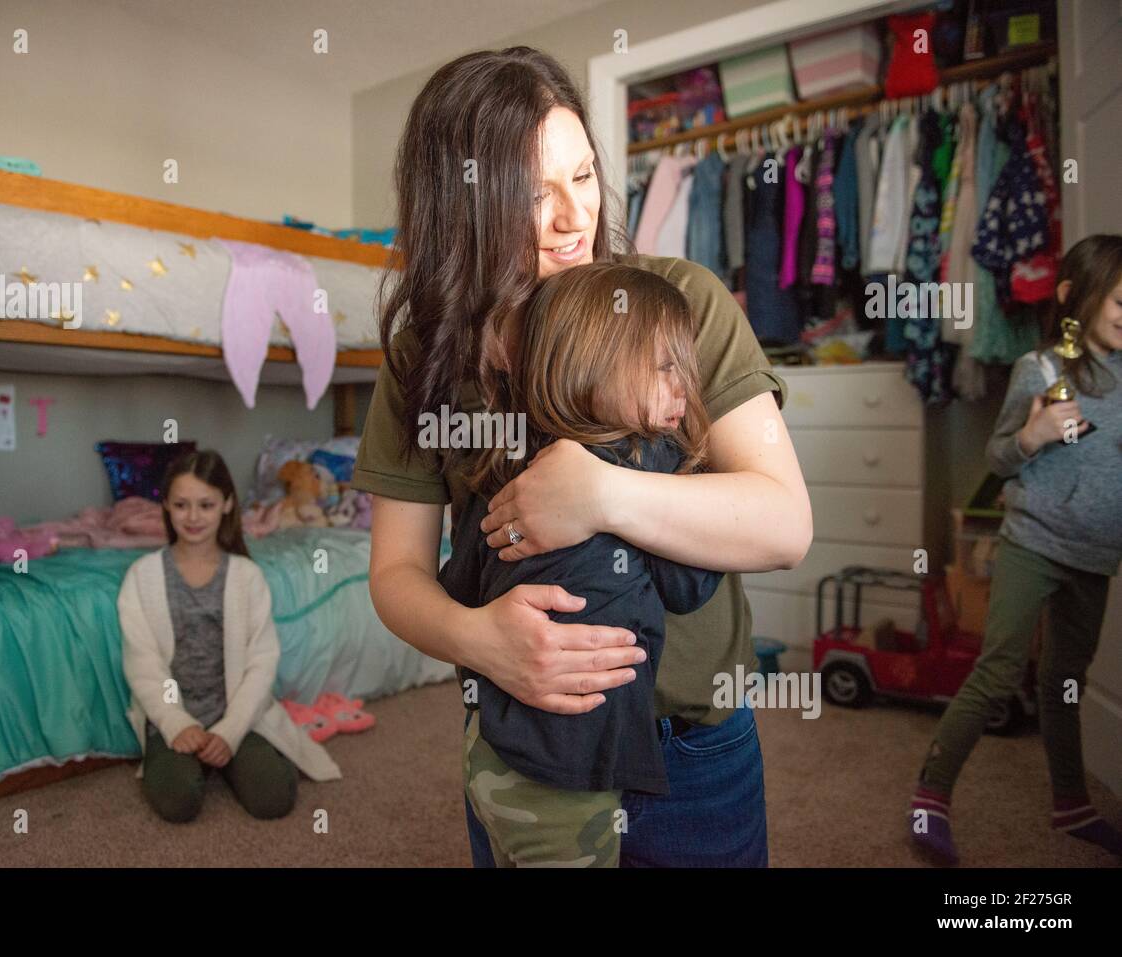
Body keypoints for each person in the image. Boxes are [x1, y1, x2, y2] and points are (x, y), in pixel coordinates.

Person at [351, 47, 812, 867]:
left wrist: (601, 494)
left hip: (690, 751)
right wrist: (478, 637)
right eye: (534, 193)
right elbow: (395, 575)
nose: (575, 217)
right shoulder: (425, 356)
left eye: (585, 175)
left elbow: (782, 523)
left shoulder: (680, 306)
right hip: (520, 740)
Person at [442, 263, 723, 866]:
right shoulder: (649, 457)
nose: (685, 390)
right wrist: (698, 475)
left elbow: (458, 585)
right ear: (593, 363)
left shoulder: (503, 455)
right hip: (572, 766)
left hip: (487, 748)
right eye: (666, 368)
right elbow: (688, 588)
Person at [910, 235, 1122, 863]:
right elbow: (998, 457)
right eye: (1118, 300)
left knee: (1064, 680)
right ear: (1073, 299)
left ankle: (1071, 802)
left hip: (1096, 554)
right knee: (999, 671)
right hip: (1033, 542)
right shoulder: (1043, 370)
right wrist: (1031, 435)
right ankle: (931, 797)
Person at [118, 450, 340, 823]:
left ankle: (230, 752)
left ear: (227, 504)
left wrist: (231, 730)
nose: (192, 517)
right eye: (181, 505)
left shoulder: (246, 576)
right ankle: (192, 756)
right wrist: (176, 724)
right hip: (174, 715)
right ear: (167, 507)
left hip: (238, 713)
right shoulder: (142, 576)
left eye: (205, 505)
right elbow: (143, 664)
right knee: (179, 803)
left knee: (273, 800)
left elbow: (261, 661)